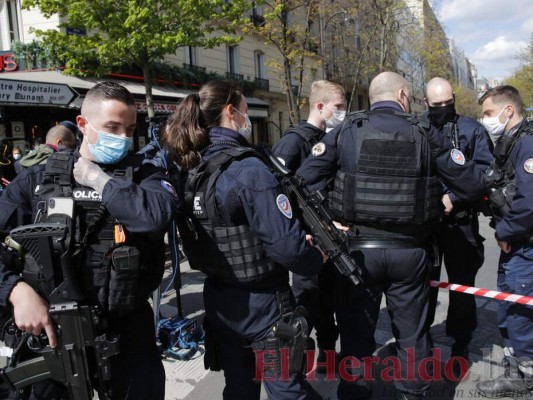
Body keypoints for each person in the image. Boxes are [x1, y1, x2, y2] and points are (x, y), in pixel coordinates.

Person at [297, 71, 486, 400]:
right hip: (411, 253)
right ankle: (413, 394)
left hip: (358, 253)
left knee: (356, 337)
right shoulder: (425, 131)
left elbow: (302, 182)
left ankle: (355, 394)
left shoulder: (347, 131)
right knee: (412, 337)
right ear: (402, 95)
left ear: (372, 98)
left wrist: (327, 223)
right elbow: (470, 183)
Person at [0, 81, 179, 399]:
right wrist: (15, 291)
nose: (122, 138)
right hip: (52, 329)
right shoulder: (37, 180)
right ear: (83, 124)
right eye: (112, 127)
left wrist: (100, 180)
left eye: (129, 129)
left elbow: (156, 214)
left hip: (125, 327)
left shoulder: (144, 175)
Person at [162, 80, 326, 400]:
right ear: (230, 112)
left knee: (239, 387)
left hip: (219, 301)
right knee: (286, 390)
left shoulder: (189, 167)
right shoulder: (249, 168)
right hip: (264, 305)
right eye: (246, 111)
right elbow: (287, 247)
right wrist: (316, 257)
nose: (248, 119)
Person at [272, 80, 346, 371]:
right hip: (307, 240)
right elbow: (277, 192)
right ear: (320, 106)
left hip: (328, 236)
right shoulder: (294, 141)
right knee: (307, 302)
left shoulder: (330, 138)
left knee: (328, 303)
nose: (342, 113)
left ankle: (327, 358)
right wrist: (298, 233)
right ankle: (298, 361)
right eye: (338, 107)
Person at [423, 77, 494, 363]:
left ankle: (461, 341)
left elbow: (484, 173)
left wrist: (453, 197)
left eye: (447, 103)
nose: (443, 108)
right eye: (436, 104)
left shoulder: (471, 129)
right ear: (425, 101)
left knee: (462, 286)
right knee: (421, 285)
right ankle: (418, 338)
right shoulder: (419, 127)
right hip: (426, 224)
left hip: (461, 222)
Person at [476, 85, 533, 399]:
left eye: (488, 113)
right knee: (510, 308)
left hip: (523, 244)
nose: (486, 120)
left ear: (508, 110)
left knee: (519, 314)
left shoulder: (527, 144)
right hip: (517, 242)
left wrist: (504, 232)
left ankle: (523, 377)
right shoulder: (513, 143)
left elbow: (529, 202)